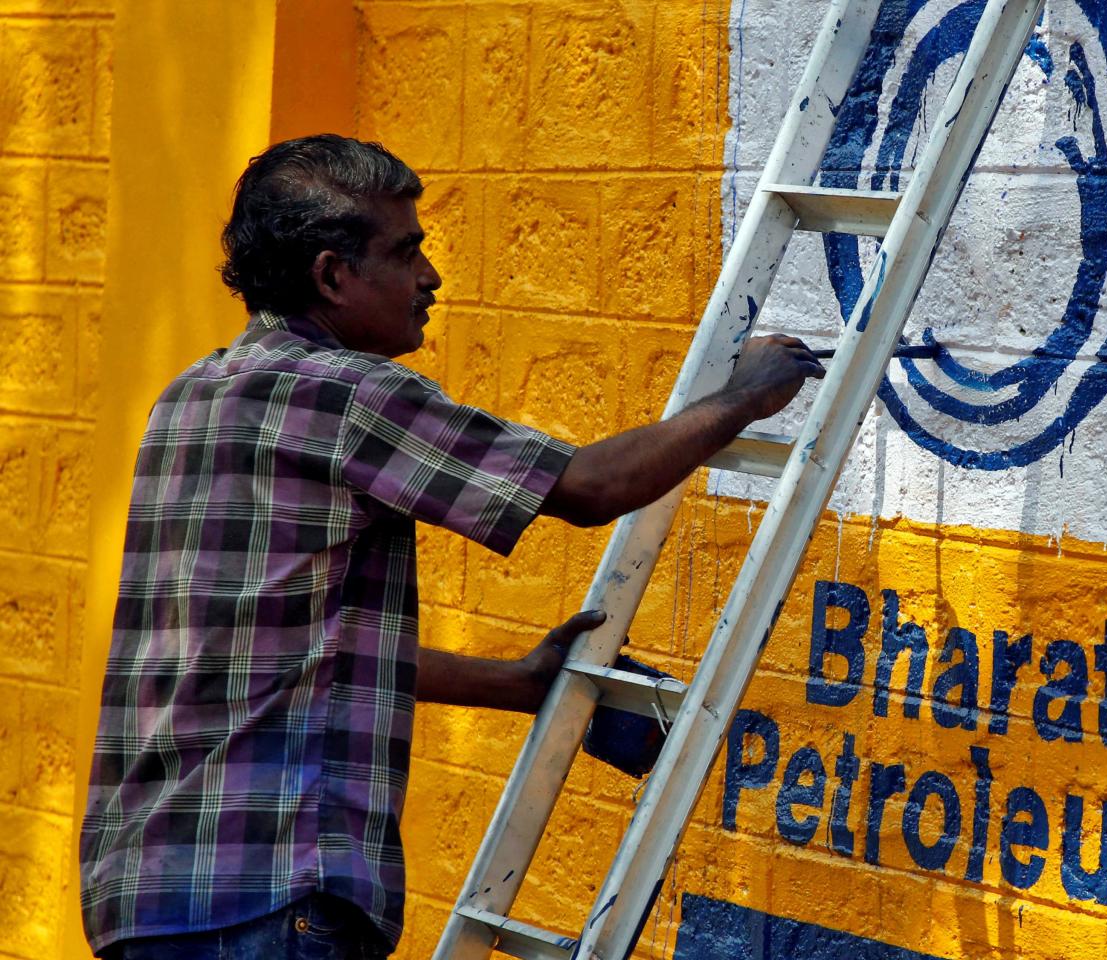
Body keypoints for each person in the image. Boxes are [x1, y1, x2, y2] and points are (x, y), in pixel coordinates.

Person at [78, 134, 824, 959]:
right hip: (270, 892)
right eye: (407, 252)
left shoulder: (189, 398)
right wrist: (742, 400)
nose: (430, 277)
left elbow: (284, 643)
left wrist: (514, 684)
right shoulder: (348, 393)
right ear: (331, 275)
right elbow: (587, 490)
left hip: (146, 894)